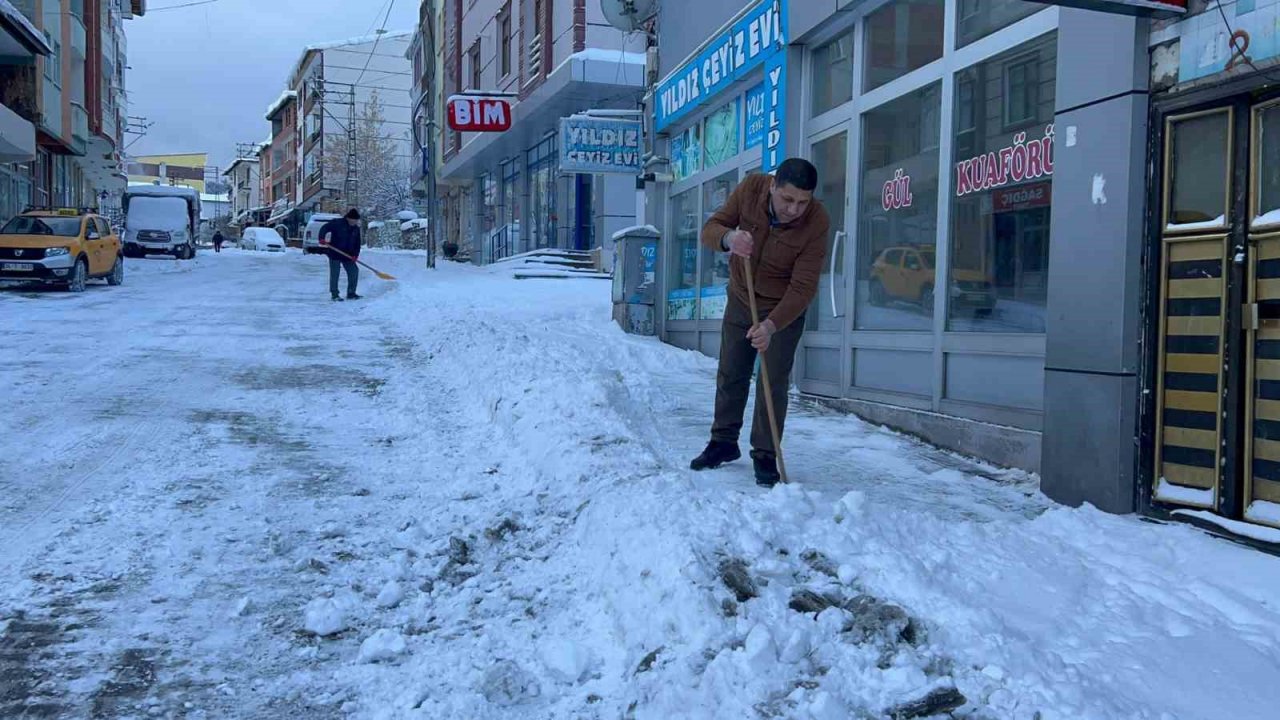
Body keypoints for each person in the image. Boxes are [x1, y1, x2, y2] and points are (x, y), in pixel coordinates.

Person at [688, 158, 830, 487]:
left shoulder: (817, 220)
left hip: (783, 308)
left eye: (802, 202)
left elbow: (803, 287)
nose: (794, 209)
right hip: (743, 295)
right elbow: (710, 230)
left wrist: (771, 326)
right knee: (731, 371)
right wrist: (728, 238)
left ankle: (765, 453)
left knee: (772, 379)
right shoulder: (752, 188)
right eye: (787, 199)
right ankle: (723, 442)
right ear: (772, 186)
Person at [319, 208, 363, 301]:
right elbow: (325, 228)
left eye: (356, 220)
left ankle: (351, 293)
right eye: (353, 220)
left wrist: (355, 255)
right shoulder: (337, 223)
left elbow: (357, 244)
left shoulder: (356, 229)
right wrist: (322, 238)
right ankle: (335, 294)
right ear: (348, 218)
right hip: (335, 252)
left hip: (348, 254)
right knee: (335, 274)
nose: (355, 222)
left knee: (354, 271)